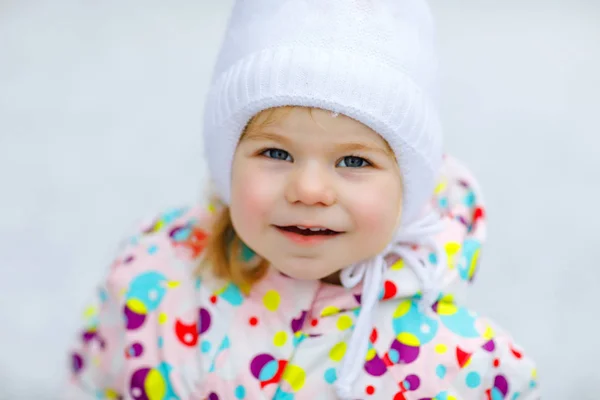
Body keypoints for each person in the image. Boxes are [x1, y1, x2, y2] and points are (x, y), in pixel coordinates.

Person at [65, 0, 540, 399]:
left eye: (354, 162)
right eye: (275, 152)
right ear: (226, 160)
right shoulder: (154, 277)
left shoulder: (456, 363)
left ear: (408, 186)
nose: (309, 190)